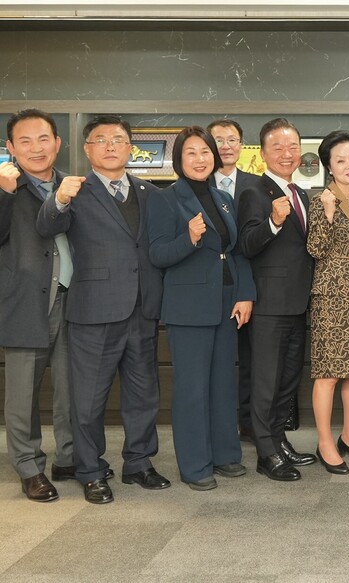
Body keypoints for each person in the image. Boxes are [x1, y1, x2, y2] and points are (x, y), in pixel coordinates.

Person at [36, 115, 168, 504]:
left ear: (131, 148)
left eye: (119, 140)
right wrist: (58, 199)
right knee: (89, 399)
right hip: (94, 310)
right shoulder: (73, 189)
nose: (111, 146)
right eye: (101, 140)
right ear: (87, 149)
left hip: (142, 308)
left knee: (144, 394)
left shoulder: (148, 191)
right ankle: (90, 470)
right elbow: (47, 226)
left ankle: (140, 462)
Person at [146, 126, 254, 490]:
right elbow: (157, 253)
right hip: (188, 307)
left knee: (223, 384)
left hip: (225, 303)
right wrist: (188, 240)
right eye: (191, 152)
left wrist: (245, 294)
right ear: (178, 159)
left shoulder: (223, 198)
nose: (200, 159)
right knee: (192, 389)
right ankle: (194, 466)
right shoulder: (165, 198)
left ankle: (225, 455)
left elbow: (236, 252)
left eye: (205, 152)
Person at [0, 109, 74, 502]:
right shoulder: (4, 186)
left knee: (71, 387)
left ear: (58, 142)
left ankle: (69, 457)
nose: (36, 148)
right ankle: (29, 468)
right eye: (24, 141)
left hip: (73, 301)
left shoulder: (73, 184)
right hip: (25, 303)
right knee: (22, 394)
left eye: (43, 139)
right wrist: (3, 192)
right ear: (10, 148)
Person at [237, 118, 317, 481]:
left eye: (292, 147)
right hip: (269, 303)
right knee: (266, 381)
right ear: (263, 153)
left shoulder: (301, 193)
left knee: (287, 380)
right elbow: (247, 244)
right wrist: (272, 221)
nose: (287, 154)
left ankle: (279, 440)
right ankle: (266, 452)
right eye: (278, 148)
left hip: (298, 302)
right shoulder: (255, 193)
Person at [306, 130, 349, 475]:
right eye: (341, 161)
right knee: (328, 372)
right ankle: (324, 441)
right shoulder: (322, 199)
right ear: (329, 167)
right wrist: (330, 216)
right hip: (332, 297)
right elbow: (314, 249)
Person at [208, 118, 264, 442]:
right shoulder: (199, 185)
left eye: (232, 140)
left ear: (242, 146)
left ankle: (247, 423)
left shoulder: (257, 184)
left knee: (251, 359)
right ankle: (220, 422)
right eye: (218, 140)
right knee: (219, 359)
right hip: (214, 285)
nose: (225, 146)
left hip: (253, 284)